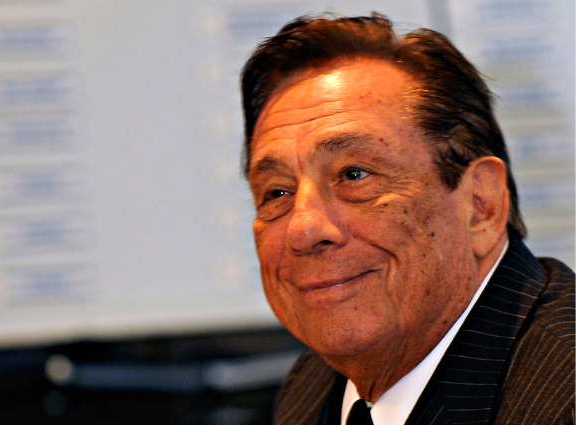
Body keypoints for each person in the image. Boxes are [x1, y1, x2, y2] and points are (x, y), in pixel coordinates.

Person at [240, 12, 574, 425]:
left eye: (354, 175)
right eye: (277, 193)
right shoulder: (311, 387)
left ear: (480, 205)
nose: (303, 229)